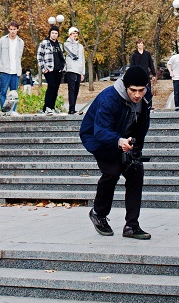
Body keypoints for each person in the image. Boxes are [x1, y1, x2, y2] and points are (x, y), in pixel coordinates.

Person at [80, 65, 151, 240]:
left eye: (141, 90)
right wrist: (119, 141)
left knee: (136, 171)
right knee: (112, 172)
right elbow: (100, 131)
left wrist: (136, 150)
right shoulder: (109, 98)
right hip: (99, 137)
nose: (137, 95)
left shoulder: (145, 97)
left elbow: (142, 125)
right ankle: (98, 214)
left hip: (124, 138)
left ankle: (131, 226)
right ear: (125, 87)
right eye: (133, 90)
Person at [0, 21, 24, 113]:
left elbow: (19, 56)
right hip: (5, 71)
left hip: (15, 71)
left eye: (14, 29)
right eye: (11, 29)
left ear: (17, 29)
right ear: (8, 29)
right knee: (3, 92)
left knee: (14, 92)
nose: (12, 31)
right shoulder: (3, 40)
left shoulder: (21, 42)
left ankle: (13, 111)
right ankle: (4, 111)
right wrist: (2, 64)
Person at [37, 25, 65, 115]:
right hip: (49, 69)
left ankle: (51, 107)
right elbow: (39, 56)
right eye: (52, 33)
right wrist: (44, 68)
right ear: (50, 34)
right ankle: (48, 107)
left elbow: (62, 57)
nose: (54, 35)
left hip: (58, 70)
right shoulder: (44, 43)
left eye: (56, 33)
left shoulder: (59, 44)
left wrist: (62, 67)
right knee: (51, 87)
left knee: (56, 89)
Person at [129, 39, 157, 109]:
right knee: (138, 92)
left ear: (143, 45)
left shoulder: (147, 54)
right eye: (139, 43)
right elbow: (132, 66)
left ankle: (149, 106)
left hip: (146, 76)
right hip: (137, 77)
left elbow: (151, 64)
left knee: (148, 91)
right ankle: (138, 107)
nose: (140, 45)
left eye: (141, 43)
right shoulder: (134, 55)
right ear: (137, 45)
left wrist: (154, 74)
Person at [64, 27, 86, 114]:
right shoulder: (67, 44)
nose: (75, 35)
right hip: (71, 69)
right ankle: (71, 108)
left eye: (76, 33)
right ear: (70, 35)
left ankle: (74, 107)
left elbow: (82, 59)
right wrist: (73, 42)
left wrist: (82, 72)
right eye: (73, 33)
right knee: (72, 89)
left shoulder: (80, 46)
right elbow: (73, 53)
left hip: (78, 69)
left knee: (76, 89)